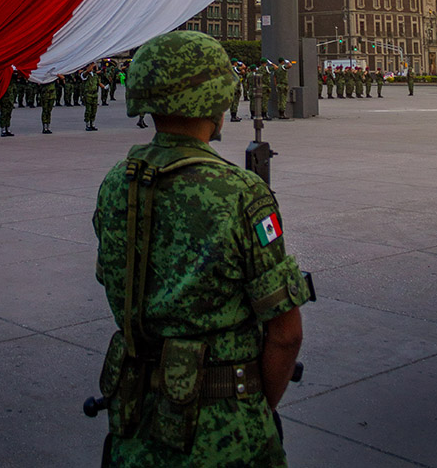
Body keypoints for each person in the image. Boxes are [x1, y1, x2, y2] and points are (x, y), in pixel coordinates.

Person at [92, 30, 309, 467]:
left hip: (134, 423)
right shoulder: (240, 191)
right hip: (226, 431)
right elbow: (286, 334)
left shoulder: (118, 183)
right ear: (217, 101)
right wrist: (256, 410)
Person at [82, 64, 100, 130]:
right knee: (88, 110)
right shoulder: (84, 74)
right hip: (88, 95)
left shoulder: (95, 75)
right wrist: (92, 63)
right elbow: (88, 71)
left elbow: (98, 83)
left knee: (94, 110)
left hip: (94, 94)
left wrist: (104, 87)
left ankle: (92, 124)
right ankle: (87, 124)